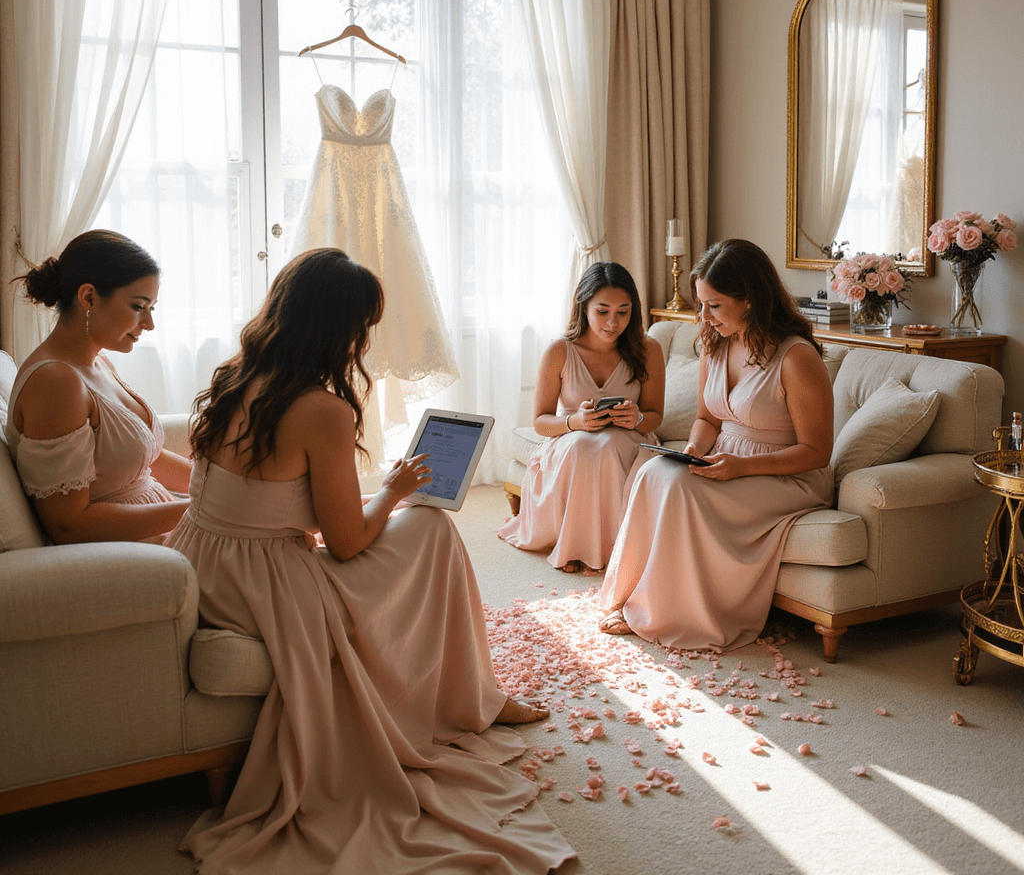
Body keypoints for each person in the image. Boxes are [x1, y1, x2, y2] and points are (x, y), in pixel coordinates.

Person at [166, 248, 574, 875]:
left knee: (411, 523)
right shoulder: (320, 410)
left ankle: (474, 693)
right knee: (432, 527)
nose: (363, 341)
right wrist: (393, 490)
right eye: (362, 327)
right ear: (338, 329)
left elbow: (276, 505)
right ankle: (473, 697)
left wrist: (378, 498)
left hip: (206, 562)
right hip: (265, 586)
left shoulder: (235, 376)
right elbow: (346, 544)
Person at [598, 239, 834, 651]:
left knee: (681, 488)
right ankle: (631, 596)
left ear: (750, 300)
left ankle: (671, 612)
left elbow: (817, 452)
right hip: (727, 459)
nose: (704, 316)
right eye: (702, 304)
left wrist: (741, 467)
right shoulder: (716, 343)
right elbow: (707, 420)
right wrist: (692, 450)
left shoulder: (796, 358)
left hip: (789, 475)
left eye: (715, 305)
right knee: (653, 472)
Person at [5, 231, 190, 544]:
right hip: (135, 554)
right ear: (88, 297)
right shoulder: (55, 383)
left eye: (152, 308)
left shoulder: (98, 361)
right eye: (138, 306)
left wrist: (217, 489)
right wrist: (198, 511)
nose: (149, 324)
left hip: (165, 528)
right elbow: (69, 525)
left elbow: (139, 458)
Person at [498, 262, 665, 572]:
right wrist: (575, 422)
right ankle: (575, 545)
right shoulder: (559, 351)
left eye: (623, 312)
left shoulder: (648, 350)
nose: (613, 323)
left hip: (628, 440)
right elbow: (540, 421)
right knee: (581, 447)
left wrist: (637, 418)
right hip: (571, 439)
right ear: (583, 305)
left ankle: (606, 547)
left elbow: (655, 416)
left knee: (606, 447)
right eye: (602, 311)